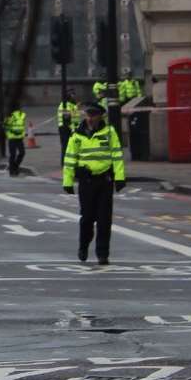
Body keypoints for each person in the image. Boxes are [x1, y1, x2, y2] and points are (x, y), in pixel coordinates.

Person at [63, 99, 126, 264]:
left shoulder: (109, 132)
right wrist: (68, 181)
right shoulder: (76, 135)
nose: (90, 118)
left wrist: (119, 178)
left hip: (105, 182)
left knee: (104, 220)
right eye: (88, 114)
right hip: (86, 182)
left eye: (94, 114)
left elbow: (117, 157)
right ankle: (83, 245)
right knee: (87, 219)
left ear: (101, 116)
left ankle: (102, 254)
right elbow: (70, 160)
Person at [4, 106, 29, 176]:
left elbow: (22, 126)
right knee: (13, 155)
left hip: (19, 138)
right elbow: (6, 126)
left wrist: (23, 133)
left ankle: (15, 167)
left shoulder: (22, 115)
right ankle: (12, 171)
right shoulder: (10, 116)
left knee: (22, 153)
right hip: (12, 138)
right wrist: (12, 132)